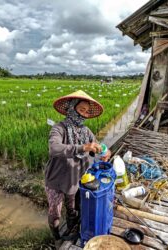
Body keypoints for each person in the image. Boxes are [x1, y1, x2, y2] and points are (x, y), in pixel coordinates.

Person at [44, 90, 111, 248]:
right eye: (81, 110)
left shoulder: (86, 132)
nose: (85, 114)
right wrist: (83, 147)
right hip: (56, 181)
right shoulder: (59, 128)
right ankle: (56, 235)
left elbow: (97, 146)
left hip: (75, 180)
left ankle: (70, 231)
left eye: (87, 112)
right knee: (55, 214)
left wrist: (105, 151)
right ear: (72, 109)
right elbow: (54, 148)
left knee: (73, 210)